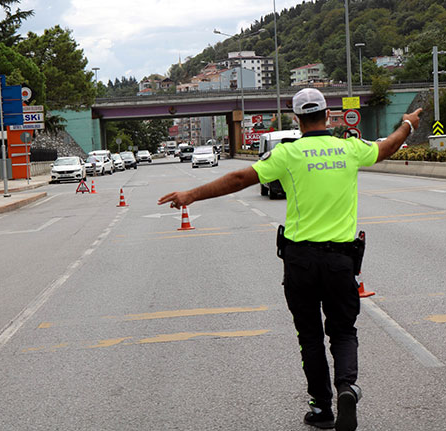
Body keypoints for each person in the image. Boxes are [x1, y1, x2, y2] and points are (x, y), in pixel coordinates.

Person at [158, 88, 422, 431]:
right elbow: (386, 147)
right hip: (342, 261)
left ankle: (322, 409)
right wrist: (407, 125)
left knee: (309, 335)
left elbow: (240, 178)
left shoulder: (288, 153)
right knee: (343, 332)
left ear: (296, 120)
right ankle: (347, 387)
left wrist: (190, 194)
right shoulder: (349, 149)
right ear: (328, 115)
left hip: (301, 262)